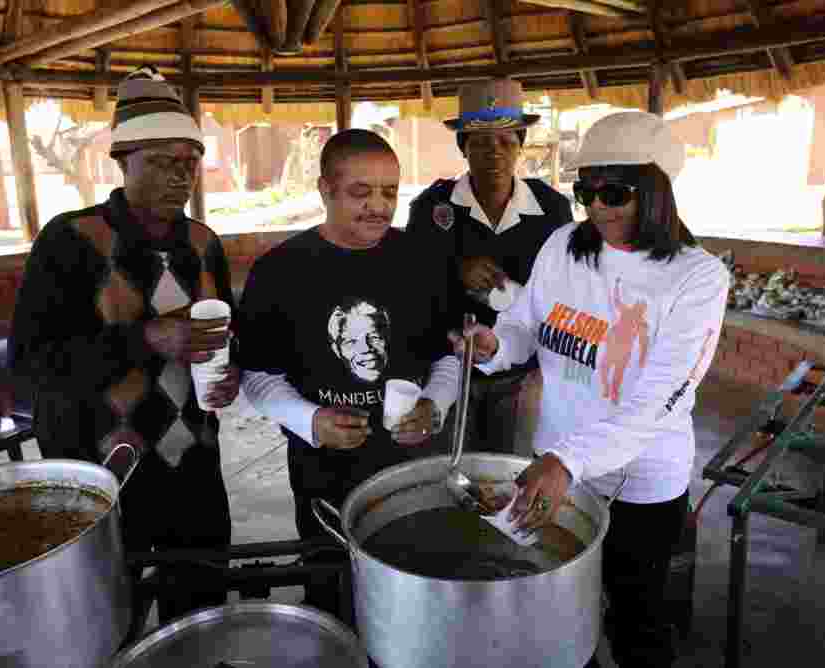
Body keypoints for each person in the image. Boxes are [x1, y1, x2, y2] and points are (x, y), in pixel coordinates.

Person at [452, 111, 730, 668]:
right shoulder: (564, 244)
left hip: (638, 480)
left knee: (636, 615)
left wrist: (563, 462)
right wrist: (493, 345)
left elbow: (655, 405)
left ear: (657, 191)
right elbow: (527, 322)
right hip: (556, 459)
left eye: (614, 193)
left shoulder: (696, 277)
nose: (597, 207)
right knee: (555, 597)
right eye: (586, 192)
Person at [8, 66, 241, 624]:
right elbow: (32, 365)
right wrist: (149, 338)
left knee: (201, 606)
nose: (179, 175)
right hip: (105, 471)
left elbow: (223, 340)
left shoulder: (205, 244)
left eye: (188, 161)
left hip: (195, 463)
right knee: (111, 614)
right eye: (160, 161)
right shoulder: (72, 241)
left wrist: (228, 374)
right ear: (121, 158)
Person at [236, 128, 459, 619]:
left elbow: (448, 355)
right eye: (360, 192)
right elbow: (258, 374)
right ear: (325, 190)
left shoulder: (423, 258)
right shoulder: (279, 271)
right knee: (332, 592)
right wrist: (309, 419)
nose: (378, 206)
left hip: (413, 466)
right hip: (323, 474)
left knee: (413, 589)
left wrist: (434, 404)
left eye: (389, 192)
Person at [406, 78, 573, 456]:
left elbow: (562, 292)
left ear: (520, 145)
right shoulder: (432, 209)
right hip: (448, 368)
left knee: (509, 472)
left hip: (522, 373)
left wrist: (512, 293)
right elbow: (408, 283)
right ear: (463, 147)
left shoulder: (551, 210)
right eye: (480, 142)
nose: (494, 153)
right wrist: (454, 269)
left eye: (506, 141)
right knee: (448, 470)